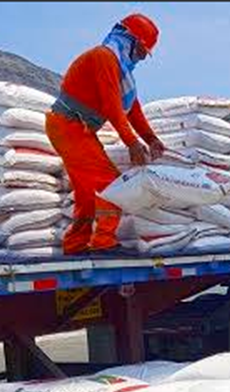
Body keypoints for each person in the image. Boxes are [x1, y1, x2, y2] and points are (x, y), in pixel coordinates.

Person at [46, 14, 166, 255]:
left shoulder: (121, 70)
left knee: (87, 194)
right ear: (130, 40)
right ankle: (103, 242)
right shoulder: (104, 58)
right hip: (69, 127)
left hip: (76, 129)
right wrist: (131, 142)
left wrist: (151, 138)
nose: (142, 57)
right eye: (142, 50)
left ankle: (75, 244)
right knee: (111, 184)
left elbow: (133, 110)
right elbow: (112, 106)